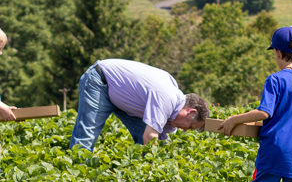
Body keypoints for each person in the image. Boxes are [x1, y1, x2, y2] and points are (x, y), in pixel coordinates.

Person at [218, 26, 292, 182]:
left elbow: (264, 112)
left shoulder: (275, 79)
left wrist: (234, 119)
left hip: (275, 151)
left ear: (277, 53)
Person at [68, 59, 209, 151]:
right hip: (100, 81)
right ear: (190, 112)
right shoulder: (167, 97)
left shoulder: (172, 115)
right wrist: (153, 166)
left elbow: (161, 143)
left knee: (145, 144)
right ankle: (77, 179)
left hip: (121, 94)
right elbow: (151, 136)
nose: (185, 130)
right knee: (86, 136)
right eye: (190, 126)